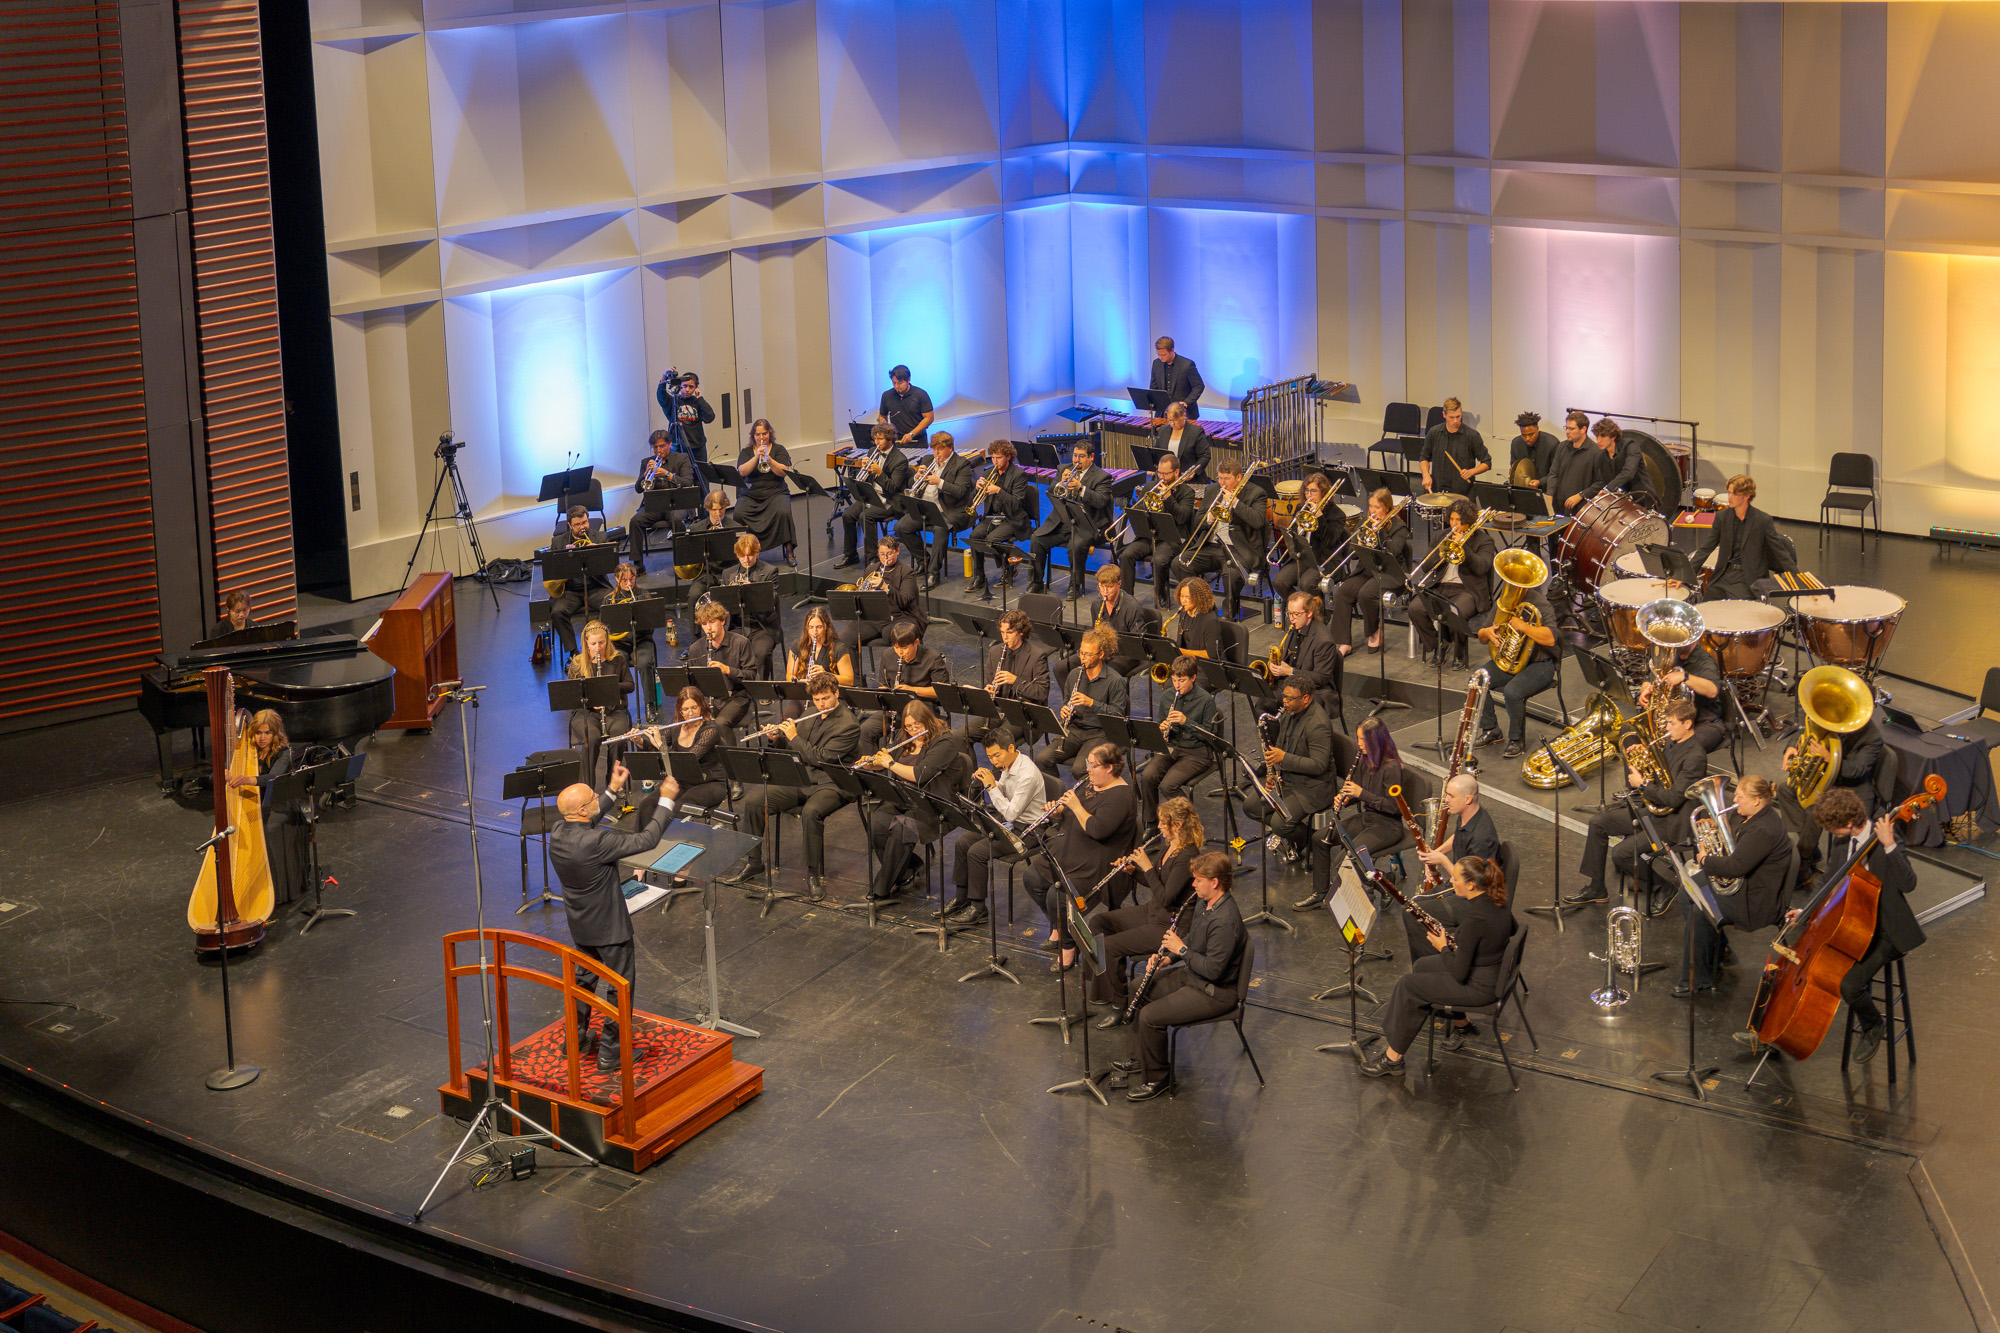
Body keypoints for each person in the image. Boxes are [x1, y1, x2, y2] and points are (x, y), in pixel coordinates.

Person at [1743, 789, 1921, 1063]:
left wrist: (1889, 845)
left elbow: (1909, 884)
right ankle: (1770, 1029)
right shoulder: (1841, 842)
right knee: (1797, 965)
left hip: (1887, 930)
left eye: (1832, 828)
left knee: (1848, 985)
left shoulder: (1886, 835)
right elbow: (1830, 881)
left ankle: (1874, 1025)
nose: (1830, 833)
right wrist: (1808, 908)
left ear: (1849, 823)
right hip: (1850, 925)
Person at [549, 761, 681, 1070]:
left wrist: (612, 790)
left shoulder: (558, 831)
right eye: (593, 796)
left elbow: (586, 819)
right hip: (610, 929)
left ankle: (577, 1038)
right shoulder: (598, 841)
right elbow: (646, 840)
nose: (597, 798)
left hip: (581, 925)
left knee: (583, 982)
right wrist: (666, 800)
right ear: (583, 811)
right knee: (618, 987)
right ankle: (611, 1052)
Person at [1358, 855, 1516, 1077]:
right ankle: (1462, 1024)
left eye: (1455, 878)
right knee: (1422, 965)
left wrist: (1443, 946)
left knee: (1409, 985)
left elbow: (1460, 974)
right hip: (1492, 972)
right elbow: (1512, 929)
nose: (1451, 881)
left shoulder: (1475, 919)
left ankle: (1393, 1059)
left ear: (1470, 885)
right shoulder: (1496, 901)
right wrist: (1467, 943)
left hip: (1480, 987)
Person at [718, 672, 859, 900]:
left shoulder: (849, 725)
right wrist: (777, 737)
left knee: (812, 813)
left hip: (833, 783)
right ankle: (753, 863)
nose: (821, 704)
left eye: (825, 698)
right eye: (817, 699)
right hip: (802, 779)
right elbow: (793, 749)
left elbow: (821, 758)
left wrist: (792, 737)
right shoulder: (812, 712)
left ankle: (813, 874)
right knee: (755, 802)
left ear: (837, 694)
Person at [1118, 851, 1245, 1101]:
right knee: (1137, 988)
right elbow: (1193, 939)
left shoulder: (1225, 920)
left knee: (1150, 1016)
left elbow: (1213, 971)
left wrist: (1181, 950)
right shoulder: (1203, 902)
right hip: (1193, 975)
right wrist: (1169, 957)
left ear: (1215, 882)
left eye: (1198, 879)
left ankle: (1158, 1078)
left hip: (1214, 992)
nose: (1193, 884)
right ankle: (1139, 1057)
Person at [1563, 699, 1707, 909]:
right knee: (1598, 823)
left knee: (1620, 854)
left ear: (1687, 724)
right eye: (1666, 723)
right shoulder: (1673, 742)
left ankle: (1664, 888)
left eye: (1671, 723)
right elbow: (1660, 771)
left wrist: (1642, 786)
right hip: (1653, 811)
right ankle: (1596, 888)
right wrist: (1644, 755)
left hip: (1672, 822)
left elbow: (1674, 799)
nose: (1666, 728)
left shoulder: (1695, 757)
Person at [1086, 797, 1202, 1023]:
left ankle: (1121, 1004)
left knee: (1110, 947)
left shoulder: (1188, 856)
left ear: (1177, 825)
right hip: (1153, 911)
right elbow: (1158, 883)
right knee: (1099, 922)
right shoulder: (1170, 845)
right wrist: (1134, 872)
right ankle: (1104, 988)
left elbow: (1168, 899)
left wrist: (1147, 866)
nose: (1158, 826)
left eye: (1162, 822)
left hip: (1169, 925)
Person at [1027, 742, 1137, 972]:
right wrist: (1058, 812)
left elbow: (1098, 830)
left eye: (1093, 765)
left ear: (1110, 768)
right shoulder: (1090, 783)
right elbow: (1069, 817)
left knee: (1056, 896)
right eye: (1088, 764)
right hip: (1070, 849)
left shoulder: (1121, 796)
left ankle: (1069, 948)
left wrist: (1075, 806)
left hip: (1098, 862)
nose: (1087, 770)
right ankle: (1058, 927)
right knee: (1032, 878)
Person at [1679, 774, 1791, 997]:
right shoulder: (1756, 817)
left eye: (1739, 798)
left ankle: (1697, 979)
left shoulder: (1763, 829)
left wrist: (1704, 860)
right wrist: (1714, 825)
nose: (1734, 802)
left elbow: (1735, 867)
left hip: (1754, 900)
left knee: (1699, 909)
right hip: (1748, 887)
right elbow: (1740, 844)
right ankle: (1720, 951)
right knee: (1687, 890)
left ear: (1757, 800)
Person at [859, 701, 966, 902]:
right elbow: (884, 764)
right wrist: (871, 765)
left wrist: (889, 763)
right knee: (876, 823)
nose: (913, 730)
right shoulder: (904, 738)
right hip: (904, 799)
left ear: (928, 720)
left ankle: (881, 889)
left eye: (917, 725)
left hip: (932, 805)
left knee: (901, 830)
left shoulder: (943, 742)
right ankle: (909, 867)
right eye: (908, 727)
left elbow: (919, 774)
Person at [1298, 715, 1406, 910]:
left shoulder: (1391, 768)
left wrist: (1361, 793)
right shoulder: (1365, 760)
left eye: (1363, 740)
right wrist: (1347, 798)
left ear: (1375, 741)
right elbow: (1361, 792)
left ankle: (1385, 883)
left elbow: (1394, 806)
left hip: (1387, 825)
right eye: (1358, 739)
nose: (1359, 744)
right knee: (1320, 838)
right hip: (1369, 818)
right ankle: (1320, 892)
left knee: (1346, 862)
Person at [1776, 701, 1886, 886]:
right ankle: (1812, 848)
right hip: (1827, 781)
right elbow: (1805, 731)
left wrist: (1829, 758)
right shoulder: (1832, 718)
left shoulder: (1872, 736)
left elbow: (1858, 770)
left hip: (1853, 789)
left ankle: (1803, 861)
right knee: (1784, 790)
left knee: (1814, 812)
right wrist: (1791, 747)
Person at [946, 725, 1045, 928]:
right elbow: (1007, 792)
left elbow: (1010, 812)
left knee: (977, 852)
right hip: (1011, 823)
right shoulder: (1009, 765)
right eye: (990, 757)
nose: (994, 761)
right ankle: (962, 896)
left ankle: (978, 908)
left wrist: (991, 786)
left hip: (1029, 831)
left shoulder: (1027, 774)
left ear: (1011, 748)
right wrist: (991, 782)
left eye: (997, 755)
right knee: (963, 842)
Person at [1240, 679, 1335, 865]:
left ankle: (1316, 842)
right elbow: (1280, 746)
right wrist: (1271, 774)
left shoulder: (1318, 724)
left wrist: (1283, 758)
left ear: (1306, 698)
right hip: (1287, 778)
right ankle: (1296, 838)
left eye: (1290, 699)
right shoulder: (1289, 713)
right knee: (1251, 806)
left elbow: (1319, 765)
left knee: (1279, 823)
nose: (1284, 702)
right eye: (1284, 697)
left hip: (1312, 787)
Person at [1471, 563, 1559, 760]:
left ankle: (1516, 740)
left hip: (1540, 664)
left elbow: (1551, 638)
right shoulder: (1504, 601)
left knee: (1513, 692)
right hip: (1510, 660)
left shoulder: (1540, 604)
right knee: (1477, 680)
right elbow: (1481, 635)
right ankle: (1491, 729)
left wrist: (1523, 627)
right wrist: (1486, 633)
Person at [1173, 457, 1269, 621]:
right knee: (1179, 563)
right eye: (1219, 477)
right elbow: (1196, 523)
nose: (1222, 483)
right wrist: (1209, 517)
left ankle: (1228, 617)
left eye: (1227, 478)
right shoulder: (1212, 490)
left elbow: (1258, 521)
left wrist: (1235, 503)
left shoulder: (1256, 493)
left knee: (1231, 575)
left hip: (1238, 549)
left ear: (1238, 477)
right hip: (1210, 545)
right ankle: (1205, 606)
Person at [227, 709, 306, 908]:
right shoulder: (249, 749)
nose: (262, 738)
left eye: (267, 733)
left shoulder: (284, 752)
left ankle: (279, 890)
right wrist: (230, 775)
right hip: (260, 802)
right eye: (258, 733)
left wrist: (247, 779)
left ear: (276, 733)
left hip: (280, 806)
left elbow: (273, 777)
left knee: (268, 830)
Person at [1409, 497, 1498, 668]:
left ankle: (1460, 653)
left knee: (1455, 611)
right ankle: (1439, 644)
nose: (1454, 524)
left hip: (1467, 590)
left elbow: (1482, 567)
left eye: (1459, 520)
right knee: (1415, 608)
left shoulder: (1484, 540)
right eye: (1452, 519)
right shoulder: (1441, 536)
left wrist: (1464, 548)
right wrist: (1439, 556)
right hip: (1440, 585)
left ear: (1469, 521)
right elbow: (1426, 566)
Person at [1137, 656, 1220, 823]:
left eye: (1181, 680)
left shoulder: (1206, 701)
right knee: (1147, 776)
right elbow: (1161, 720)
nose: (1176, 685)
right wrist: (1162, 728)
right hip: (1172, 746)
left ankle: (1190, 824)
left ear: (1193, 678)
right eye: (1174, 680)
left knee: (1168, 786)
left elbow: (1211, 736)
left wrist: (1185, 721)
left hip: (1197, 752)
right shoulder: (1168, 696)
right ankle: (1151, 824)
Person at [1328, 488, 1410, 656]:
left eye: (1377, 507)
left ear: (1387, 508)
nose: (1372, 511)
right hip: (1366, 570)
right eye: (1371, 506)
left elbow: (1392, 552)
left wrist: (1379, 530)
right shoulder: (1364, 524)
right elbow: (1353, 554)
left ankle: (1374, 631)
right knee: (1342, 593)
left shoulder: (1399, 527)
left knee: (1366, 595)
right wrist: (1358, 545)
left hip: (1389, 573)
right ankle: (1344, 641)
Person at [1688, 474, 1797, 601]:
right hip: (1723, 576)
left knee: (1736, 613)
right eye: (1729, 492)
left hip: (1747, 579)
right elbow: (1705, 548)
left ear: (1746, 496)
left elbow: (1780, 552)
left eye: (1734, 494)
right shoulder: (1722, 518)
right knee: (1706, 606)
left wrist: (1799, 578)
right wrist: (1685, 575)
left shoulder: (1762, 520)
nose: (1729, 497)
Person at [1029, 439, 1115, 597]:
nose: (1076, 460)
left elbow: (1101, 501)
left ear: (1091, 457)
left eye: (1081, 457)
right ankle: (1037, 583)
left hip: (1088, 525)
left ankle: (1074, 586)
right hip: (1063, 522)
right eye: (1075, 455)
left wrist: (1081, 488)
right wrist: (1060, 482)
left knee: (1074, 546)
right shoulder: (1063, 468)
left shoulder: (1102, 476)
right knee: (1036, 539)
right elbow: (1050, 491)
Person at [1040, 628, 1129, 777]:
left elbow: (1118, 715)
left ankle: (1087, 798)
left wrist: (1091, 703)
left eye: (1088, 654)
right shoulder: (1074, 675)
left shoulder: (1115, 680)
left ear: (1101, 655)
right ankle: (1059, 794)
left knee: (1080, 769)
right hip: (1074, 730)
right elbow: (1067, 701)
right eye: (1081, 653)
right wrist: (1064, 710)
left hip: (1100, 733)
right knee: (1042, 759)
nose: (1083, 658)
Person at [896, 430, 978, 587]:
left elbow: (960, 492)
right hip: (925, 507)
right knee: (901, 527)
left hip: (950, 510)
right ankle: (924, 560)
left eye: (939, 449)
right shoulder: (928, 459)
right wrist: (916, 477)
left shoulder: (962, 465)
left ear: (950, 448)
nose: (936, 453)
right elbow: (910, 485)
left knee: (941, 529)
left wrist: (939, 482)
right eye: (933, 449)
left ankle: (934, 574)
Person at [1115, 453, 1198, 607]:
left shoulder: (1187, 492)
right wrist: (1145, 507)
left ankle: (1162, 595)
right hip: (1149, 535)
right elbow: (1137, 512)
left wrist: (1168, 498)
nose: (1161, 477)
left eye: (1166, 473)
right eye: (1159, 472)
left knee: (1159, 561)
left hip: (1172, 538)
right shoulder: (1149, 487)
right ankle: (1126, 599)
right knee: (1126, 555)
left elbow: (1182, 518)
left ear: (1176, 472)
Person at [1057, 563, 1157, 682]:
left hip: (1126, 654)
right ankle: (1071, 700)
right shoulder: (1096, 604)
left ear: (1118, 584)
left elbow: (1137, 644)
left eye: (1109, 587)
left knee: (1103, 673)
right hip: (1102, 651)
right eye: (1101, 587)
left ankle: (1097, 700)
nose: (1104, 592)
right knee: (1061, 668)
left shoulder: (1132, 607)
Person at [966, 610, 1051, 746]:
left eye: (1009, 633)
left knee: (998, 742)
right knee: (962, 736)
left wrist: (1015, 681)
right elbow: (989, 683)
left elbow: (1041, 693)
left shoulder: (1037, 656)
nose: (1004, 637)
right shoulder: (995, 653)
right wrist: (988, 691)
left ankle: (999, 767)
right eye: (1002, 632)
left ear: (1021, 631)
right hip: (997, 710)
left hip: (1021, 715)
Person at [567, 619, 634, 788]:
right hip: (585, 712)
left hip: (613, 709)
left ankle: (612, 782)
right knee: (591, 738)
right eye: (594, 644)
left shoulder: (617, 660)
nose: (598, 647)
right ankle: (587, 787)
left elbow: (630, 685)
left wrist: (609, 687)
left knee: (618, 737)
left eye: (602, 643)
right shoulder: (577, 664)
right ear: (586, 644)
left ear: (607, 641)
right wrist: (590, 702)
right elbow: (571, 696)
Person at [838, 535, 922, 666]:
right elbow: (863, 597)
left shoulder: (906, 572)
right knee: (844, 640)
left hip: (899, 618)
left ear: (897, 551)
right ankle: (857, 682)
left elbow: (905, 601)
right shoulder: (871, 570)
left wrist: (886, 588)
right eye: (882, 554)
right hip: (873, 618)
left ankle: (897, 678)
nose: (885, 558)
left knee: (896, 637)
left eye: (889, 553)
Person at [865, 621, 951, 749]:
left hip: (923, 710)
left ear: (916, 642)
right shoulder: (888, 655)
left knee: (901, 742)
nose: (900, 652)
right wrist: (887, 699)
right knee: (865, 731)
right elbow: (883, 685)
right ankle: (874, 768)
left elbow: (942, 692)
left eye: (904, 648)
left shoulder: (932, 658)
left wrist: (912, 690)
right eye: (896, 647)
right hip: (896, 709)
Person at [965, 440, 1034, 598]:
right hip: (992, 517)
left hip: (1013, 518)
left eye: (999, 458)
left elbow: (1017, 503)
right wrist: (977, 489)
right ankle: (979, 577)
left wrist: (998, 491)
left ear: (1008, 457)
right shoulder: (989, 472)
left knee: (991, 539)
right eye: (993, 457)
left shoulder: (1019, 475)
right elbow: (976, 500)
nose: (995, 461)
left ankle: (1009, 568)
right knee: (974, 537)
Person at [837, 423, 911, 569]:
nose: (877, 443)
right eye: (875, 439)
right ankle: (850, 555)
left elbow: (893, 487)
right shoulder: (872, 451)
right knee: (847, 515)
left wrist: (879, 472)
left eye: (880, 439)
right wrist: (863, 468)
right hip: (872, 495)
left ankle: (873, 558)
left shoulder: (900, 460)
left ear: (890, 439)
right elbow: (864, 479)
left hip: (891, 500)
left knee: (865, 516)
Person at [1636, 638, 1728, 753]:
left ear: (1694, 639)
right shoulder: (1670, 655)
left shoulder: (1705, 661)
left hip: (1703, 723)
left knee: (1675, 747)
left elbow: (1712, 690)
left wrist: (1684, 677)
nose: (1674, 644)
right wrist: (1647, 690)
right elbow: (1649, 679)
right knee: (1631, 734)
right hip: (1671, 720)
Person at [1265, 591, 1343, 726]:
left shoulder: (1324, 640)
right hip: (1292, 685)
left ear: (1309, 613)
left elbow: (1321, 678)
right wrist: (1277, 666)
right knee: (1263, 704)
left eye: (1296, 614)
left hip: (1317, 692)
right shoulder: (1294, 628)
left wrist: (1290, 671)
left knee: (1292, 709)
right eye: (1289, 613)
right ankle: (1275, 743)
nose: (1291, 618)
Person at [548, 505, 615, 659]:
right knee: (558, 611)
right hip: (569, 590)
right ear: (569, 525)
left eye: (584, 522)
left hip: (595, 587)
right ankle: (573, 653)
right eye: (577, 524)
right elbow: (552, 570)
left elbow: (610, 566)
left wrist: (597, 554)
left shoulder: (600, 538)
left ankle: (604, 648)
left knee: (612, 603)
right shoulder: (558, 542)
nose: (582, 527)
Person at [683, 601, 758, 731]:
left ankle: (728, 751)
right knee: (683, 722)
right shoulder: (696, 648)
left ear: (722, 621)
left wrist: (727, 670)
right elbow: (693, 684)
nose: (708, 628)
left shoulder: (741, 643)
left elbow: (751, 675)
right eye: (704, 624)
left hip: (736, 697)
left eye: (712, 622)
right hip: (708, 698)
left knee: (720, 724)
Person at [1271, 470, 1344, 603]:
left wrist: (1319, 517)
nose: (1309, 495)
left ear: (1323, 492)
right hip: (1303, 558)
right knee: (1279, 582)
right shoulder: (1301, 508)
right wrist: (1298, 527)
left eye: (1313, 491)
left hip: (1324, 561)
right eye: (1306, 490)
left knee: (1307, 584)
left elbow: (1330, 540)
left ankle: (1319, 615)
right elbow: (1292, 534)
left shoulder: (1336, 514)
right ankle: (1301, 607)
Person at [733, 418, 798, 565]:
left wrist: (770, 460)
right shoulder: (746, 452)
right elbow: (742, 471)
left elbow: (783, 473)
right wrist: (757, 456)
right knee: (739, 513)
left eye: (764, 434)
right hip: (751, 494)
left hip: (775, 491)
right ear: (753, 436)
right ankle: (744, 552)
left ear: (770, 433)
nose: (761, 437)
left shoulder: (779, 449)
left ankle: (789, 552)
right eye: (758, 434)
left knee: (783, 512)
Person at [629, 429, 694, 573]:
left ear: (670, 444)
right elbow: (638, 489)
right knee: (635, 521)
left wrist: (668, 474)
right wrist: (645, 474)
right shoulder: (646, 462)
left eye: (662, 446)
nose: (659, 450)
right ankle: (638, 565)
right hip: (655, 505)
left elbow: (688, 483)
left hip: (677, 504)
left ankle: (683, 559)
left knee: (677, 519)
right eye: (655, 447)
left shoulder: (681, 458)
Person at [1414, 775, 1500, 882]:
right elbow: (1459, 837)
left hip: (1471, 892)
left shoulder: (1481, 839)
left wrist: (1442, 860)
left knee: (1418, 899)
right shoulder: (1469, 814)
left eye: (1451, 796)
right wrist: (1434, 854)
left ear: (1467, 799)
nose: (1446, 800)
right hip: (1459, 880)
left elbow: (1469, 883)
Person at [659, 686, 731, 812]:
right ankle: (648, 833)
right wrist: (641, 740)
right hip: (684, 781)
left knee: (678, 808)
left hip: (709, 782)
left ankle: (672, 832)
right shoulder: (676, 725)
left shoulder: (710, 730)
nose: (690, 713)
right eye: (685, 709)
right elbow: (655, 750)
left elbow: (690, 758)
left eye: (694, 708)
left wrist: (660, 744)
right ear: (679, 710)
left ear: (701, 707)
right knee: (648, 805)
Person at [718, 533, 783, 671]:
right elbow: (722, 606)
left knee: (762, 654)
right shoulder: (728, 574)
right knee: (727, 653)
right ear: (737, 554)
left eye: (750, 555)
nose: (746, 559)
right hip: (736, 627)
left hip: (761, 626)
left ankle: (762, 688)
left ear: (757, 552)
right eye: (742, 555)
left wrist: (752, 590)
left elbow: (772, 599)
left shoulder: (770, 571)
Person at [603, 561, 658, 717]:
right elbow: (606, 629)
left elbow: (651, 627)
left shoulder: (644, 595)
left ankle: (649, 705)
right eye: (624, 580)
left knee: (645, 662)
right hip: (619, 644)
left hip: (642, 641)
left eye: (631, 580)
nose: (628, 584)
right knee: (614, 662)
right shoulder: (609, 600)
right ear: (616, 579)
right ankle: (617, 705)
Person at [681, 489, 738, 636]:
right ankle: (695, 640)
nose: (718, 513)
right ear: (707, 509)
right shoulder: (696, 528)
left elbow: (738, 559)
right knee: (693, 595)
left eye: (721, 509)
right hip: (704, 574)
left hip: (727, 573)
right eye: (714, 510)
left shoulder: (734, 527)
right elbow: (689, 556)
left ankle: (732, 636)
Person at [785, 605, 856, 718]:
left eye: (819, 627)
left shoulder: (838, 648)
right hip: (806, 693)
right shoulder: (798, 646)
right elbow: (790, 676)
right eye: (811, 627)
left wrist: (826, 675)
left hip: (828, 696)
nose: (815, 632)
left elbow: (849, 680)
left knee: (815, 716)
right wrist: (802, 681)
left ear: (826, 627)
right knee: (790, 712)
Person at [1420, 397, 1490, 498]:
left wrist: (1472, 471)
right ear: (1444, 415)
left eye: (1458, 416)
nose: (1456, 421)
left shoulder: (1472, 436)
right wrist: (1425, 475)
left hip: (1463, 493)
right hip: (1438, 490)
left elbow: (1487, 462)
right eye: (1451, 417)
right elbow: (1424, 457)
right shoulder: (1434, 432)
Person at [1575, 417, 1643, 508]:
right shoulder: (1601, 457)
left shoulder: (1630, 446)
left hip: (1642, 499)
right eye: (1597, 436)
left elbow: (1628, 473)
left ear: (1613, 436)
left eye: (1602, 436)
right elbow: (1606, 481)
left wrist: (1607, 489)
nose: (1598, 440)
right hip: (1622, 503)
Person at [1551, 410, 1607, 515]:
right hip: (1559, 506)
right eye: (1566, 428)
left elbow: (1600, 482)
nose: (1567, 431)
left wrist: (1580, 495)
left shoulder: (1596, 452)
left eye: (1571, 429)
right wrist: (1550, 495)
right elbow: (1554, 473)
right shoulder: (1561, 447)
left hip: (1581, 509)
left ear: (1583, 429)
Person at [656, 371, 715, 464]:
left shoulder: (698, 402)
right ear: (680, 386)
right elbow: (661, 397)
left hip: (697, 447)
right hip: (678, 447)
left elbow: (710, 417)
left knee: (699, 473)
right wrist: (664, 377)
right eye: (684, 386)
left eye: (691, 387)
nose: (687, 390)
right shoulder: (673, 401)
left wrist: (700, 399)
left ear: (696, 388)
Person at [1171, 575, 1232, 665]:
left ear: (1199, 597)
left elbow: (1212, 655)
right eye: (1181, 596)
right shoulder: (1183, 613)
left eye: (1188, 597)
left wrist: (1180, 651)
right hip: (1188, 663)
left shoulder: (1210, 621)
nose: (1183, 600)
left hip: (1206, 668)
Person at [1151, 400, 1210, 482]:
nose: (1172, 423)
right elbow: (1157, 451)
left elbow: (1205, 455)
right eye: (1169, 420)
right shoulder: (1163, 430)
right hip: (1166, 478)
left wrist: (1194, 471)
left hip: (1189, 480)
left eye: (1175, 420)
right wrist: (1151, 466)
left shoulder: (1196, 432)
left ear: (1183, 416)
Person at [1148, 335, 1205, 421]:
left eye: (1163, 354)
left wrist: (1186, 402)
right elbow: (1154, 387)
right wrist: (1151, 402)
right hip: (1163, 414)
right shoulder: (1156, 363)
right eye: (1158, 354)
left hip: (1184, 414)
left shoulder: (1187, 365)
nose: (1160, 357)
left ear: (1172, 350)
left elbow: (1199, 386)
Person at [877, 364, 934, 446]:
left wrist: (912, 434)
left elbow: (929, 418)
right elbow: (882, 415)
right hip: (896, 441)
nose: (896, 386)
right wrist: (886, 431)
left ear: (908, 380)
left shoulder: (920, 394)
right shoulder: (887, 395)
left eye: (900, 383)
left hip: (917, 441)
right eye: (894, 383)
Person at [1507, 411, 1558, 491]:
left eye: (1531, 434)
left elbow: (1557, 473)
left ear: (1537, 429)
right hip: (1523, 491)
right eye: (1524, 435)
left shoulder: (1552, 444)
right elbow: (1514, 468)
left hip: (1547, 490)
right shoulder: (1516, 443)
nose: (1527, 439)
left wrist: (1540, 482)